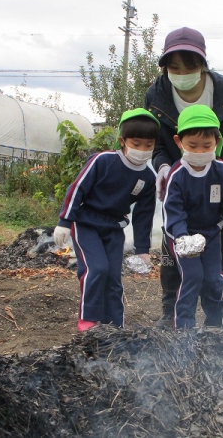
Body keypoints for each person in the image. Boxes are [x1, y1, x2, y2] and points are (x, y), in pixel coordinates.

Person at [144, 26, 223, 329]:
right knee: (172, 253)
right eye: (174, 67)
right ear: (165, 67)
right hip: (180, 177)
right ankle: (171, 312)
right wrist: (163, 165)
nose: (182, 73)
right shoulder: (156, 94)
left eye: (190, 66)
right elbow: (155, 141)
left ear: (203, 64)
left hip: (218, 178)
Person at [53, 108, 161, 332]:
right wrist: (64, 221)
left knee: (113, 277)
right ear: (122, 141)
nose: (142, 150)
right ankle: (88, 320)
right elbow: (77, 188)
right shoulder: (102, 161)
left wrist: (142, 249)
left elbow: (144, 214)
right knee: (97, 269)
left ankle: (115, 325)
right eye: (136, 143)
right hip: (87, 224)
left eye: (148, 145)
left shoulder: (148, 177)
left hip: (114, 228)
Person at [162, 104, 223, 329]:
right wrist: (181, 237)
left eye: (207, 146)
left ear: (217, 141)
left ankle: (213, 327)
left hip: (211, 235)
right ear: (179, 142)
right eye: (192, 146)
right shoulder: (177, 174)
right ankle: (184, 330)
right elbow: (173, 211)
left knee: (214, 280)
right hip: (183, 237)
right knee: (193, 277)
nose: (199, 152)